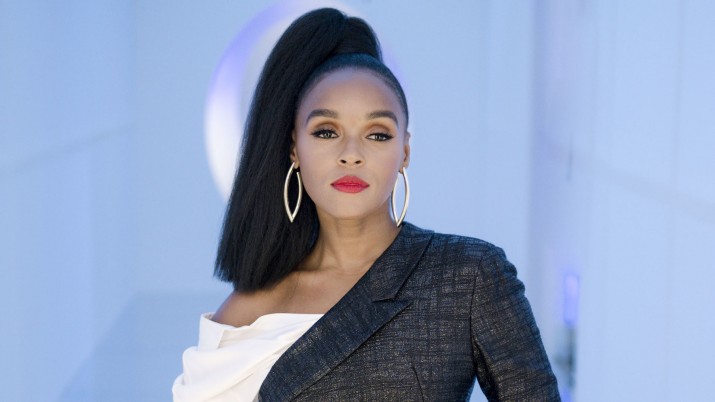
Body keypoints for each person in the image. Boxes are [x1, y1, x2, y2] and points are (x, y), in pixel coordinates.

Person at [173, 8, 560, 402]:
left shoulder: (467, 275)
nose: (351, 154)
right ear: (294, 148)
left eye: (377, 134)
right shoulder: (246, 315)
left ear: (404, 150)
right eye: (326, 132)